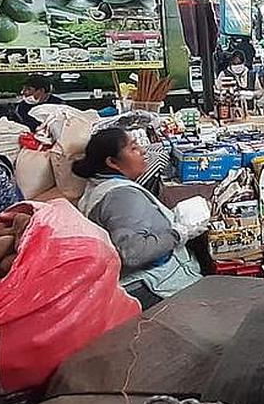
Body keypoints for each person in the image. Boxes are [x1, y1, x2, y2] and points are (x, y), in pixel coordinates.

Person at [74, 127, 202, 308]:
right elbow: (134, 253)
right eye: (133, 148)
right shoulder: (121, 197)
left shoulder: (99, 185)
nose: (143, 151)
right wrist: (179, 233)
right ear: (112, 162)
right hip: (153, 286)